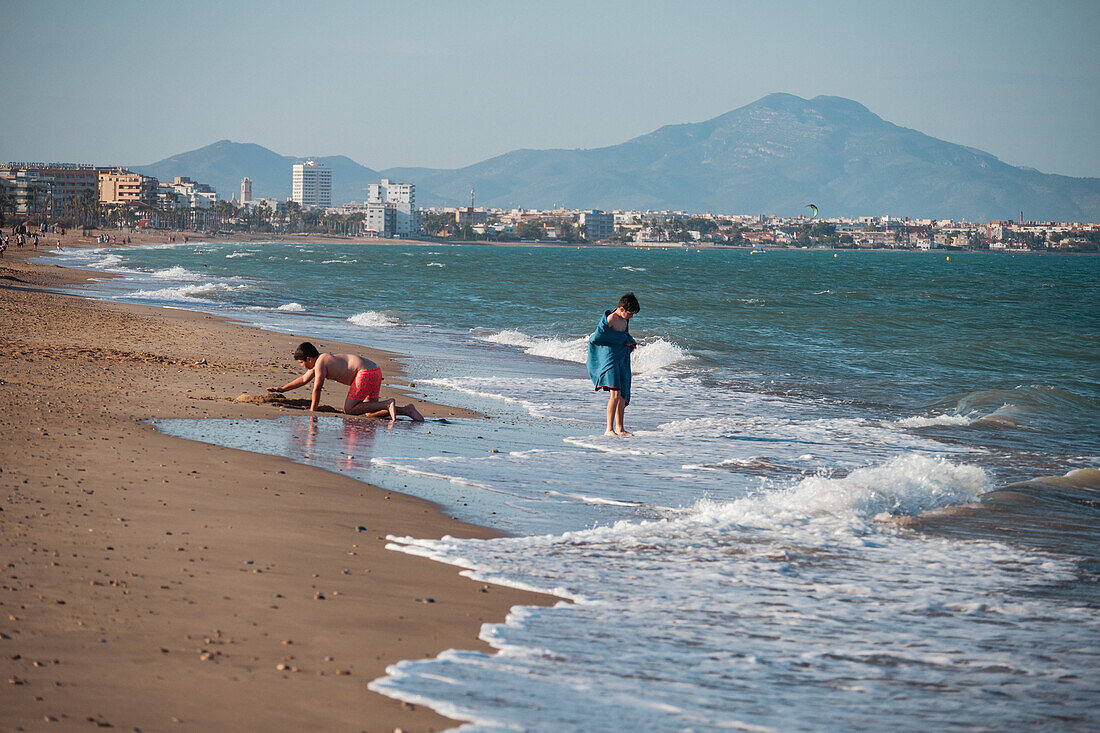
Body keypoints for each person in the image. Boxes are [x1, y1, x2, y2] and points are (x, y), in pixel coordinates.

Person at [268, 341, 424, 421]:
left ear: (309, 359)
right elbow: (303, 380)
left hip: (364, 373)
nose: (303, 367)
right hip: (374, 371)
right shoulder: (320, 362)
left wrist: (312, 411)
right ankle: (407, 410)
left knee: (349, 409)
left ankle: (387, 403)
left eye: (302, 363)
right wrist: (282, 389)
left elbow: (317, 387)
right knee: (370, 412)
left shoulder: (321, 361)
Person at [587, 293, 640, 436]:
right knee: (615, 393)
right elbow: (597, 338)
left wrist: (626, 341)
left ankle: (620, 428)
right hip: (609, 358)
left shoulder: (625, 319)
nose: (631, 317)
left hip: (622, 358)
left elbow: (622, 336)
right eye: (630, 313)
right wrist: (621, 338)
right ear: (621, 309)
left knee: (622, 394)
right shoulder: (610, 319)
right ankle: (608, 429)